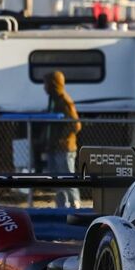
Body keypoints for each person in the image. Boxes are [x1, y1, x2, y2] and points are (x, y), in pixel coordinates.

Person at [43, 70, 83, 208]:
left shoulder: (64, 101)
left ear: (53, 84)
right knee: (57, 180)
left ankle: (75, 205)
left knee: (68, 178)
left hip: (64, 148)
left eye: (46, 83)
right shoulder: (53, 101)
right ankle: (61, 206)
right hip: (53, 148)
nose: (44, 87)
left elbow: (75, 124)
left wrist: (62, 139)